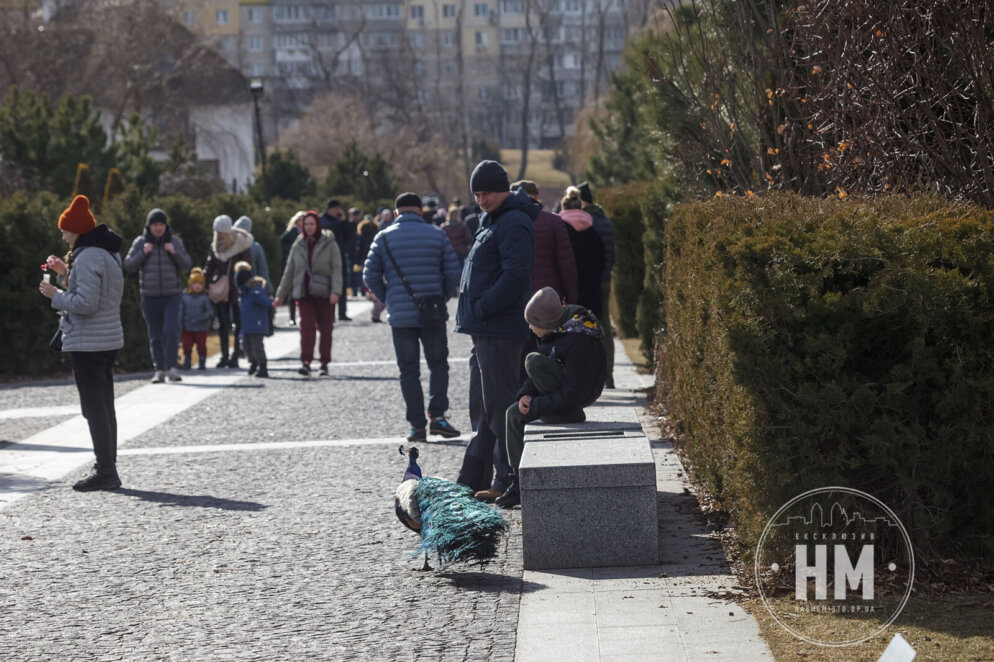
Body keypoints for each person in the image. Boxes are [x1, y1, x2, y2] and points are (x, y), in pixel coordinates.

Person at [454, 160, 537, 502]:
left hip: (500, 327)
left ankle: (508, 482)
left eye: (486, 192)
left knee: (500, 405)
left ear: (502, 190)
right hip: (485, 328)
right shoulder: (494, 220)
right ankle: (473, 477)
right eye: (477, 194)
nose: (481, 200)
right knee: (483, 405)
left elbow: (516, 276)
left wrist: (485, 306)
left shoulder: (513, 222)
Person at [38, 195, 124, 492]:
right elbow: (93, 291)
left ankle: (106, 471)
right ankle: (107, 467)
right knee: (104, 406)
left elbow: (86, 303)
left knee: (94, 408)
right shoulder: (105, 253)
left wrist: (55, 296)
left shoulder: (88, 257)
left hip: (89, 341)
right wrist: (64, 273)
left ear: (76, 230)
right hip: (105, 337)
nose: (62, 235)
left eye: (65, 230)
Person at [363, 191, 463, 442]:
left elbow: (369, 275)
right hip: (433, 312)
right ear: (420, 211)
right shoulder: (437, 235)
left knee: (408, 371)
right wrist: (443, 296)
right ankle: (438, 417)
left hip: (400, 315)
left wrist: (389, 298)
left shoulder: (383, 238)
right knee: (438, 365)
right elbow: (454, 272)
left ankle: (417, 427)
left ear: (396, 213)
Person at [496, 287, 606, 508]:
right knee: (513, 414)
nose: (529, 327)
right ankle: (518, 482)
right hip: (561, 389)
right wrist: (526, 396)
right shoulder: (554, 330)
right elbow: (541, 372)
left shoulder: (577, 340)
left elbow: (574, 391)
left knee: (532, 361)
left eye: (532, 323)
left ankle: (568, 414)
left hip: (579, 394)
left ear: (545, 322)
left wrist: (537, 406)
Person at [123, 208, 192, 383]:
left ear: (165, 225)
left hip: (172, 295)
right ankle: (159, 370)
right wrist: (143, 253)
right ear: (149, 226)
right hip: (149, 295)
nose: (158, 228)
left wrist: (173, 252)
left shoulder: (174, 242)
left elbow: (187, 265)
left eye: (161, 224)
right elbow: (128, 265)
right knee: (154, 334)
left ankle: (172, 367)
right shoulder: (140, 242)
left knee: (171, 330)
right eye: (155, 224)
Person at [274, 210, 342, 376]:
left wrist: (336, 291)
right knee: (307, 327)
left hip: (325, 293)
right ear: (302, 225)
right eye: (306, 224)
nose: (309, 227)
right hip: (304, 293)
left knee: (326, 329)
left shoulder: (329, 243)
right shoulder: (298, 244)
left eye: (312, 224)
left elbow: (337, 268)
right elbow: (289, 271)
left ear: (317, 225)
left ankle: (324, 362)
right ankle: (306, 361)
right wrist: (280, 294)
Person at [511, 180, 578, 303]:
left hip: (514, 297)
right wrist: (571, 297)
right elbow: (566, 265)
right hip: (549, 296)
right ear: (537, 197)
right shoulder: (554, 221)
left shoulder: (504, 222)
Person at [580, 182, 617, 389]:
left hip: (589, 281)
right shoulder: (607, 221)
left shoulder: (586, 222)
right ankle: (608, 373)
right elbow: (613, 256)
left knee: (586, 326)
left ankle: (590, 372)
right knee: (605, 326)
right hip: (605, 279)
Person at [204, 214, 253, 369]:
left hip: (238, 288)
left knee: (238, 324)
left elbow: (248, 266)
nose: (218, 234)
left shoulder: (241, 244)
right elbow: (210, 265)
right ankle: (224, 355)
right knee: (223, 324)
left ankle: (235, 356)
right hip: (222, 290)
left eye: (220, 231)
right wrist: (202, 282)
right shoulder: (215, 246)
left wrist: (247, 285)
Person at [559, 186, 605, 319]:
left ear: (563, 208)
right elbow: (601, 263)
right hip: (592, 291)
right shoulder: (593, 232)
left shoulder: (561, 231)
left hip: (568, 293)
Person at [234, 261, 273, 378]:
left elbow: (266, 302)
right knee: (246, 346)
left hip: (257, 324)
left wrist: (271, 301)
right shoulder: (244, 293)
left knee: (257, 347)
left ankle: (263, 366)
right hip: (247, 325)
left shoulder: (255, 291)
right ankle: (253, 362)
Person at [320, 198, 354, 321]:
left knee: (342, 284)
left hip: (340, 256)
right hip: (325, 258)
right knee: (328, 285)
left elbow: (350, 234)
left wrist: (344, 221)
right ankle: (329, 313)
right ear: (331, 209)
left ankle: (342, 312)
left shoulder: (340, 221)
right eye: (336, 209)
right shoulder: (321, 221)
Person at [180, 267, 213, 370]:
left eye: (200, 284)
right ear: (190, 284)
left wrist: (205, 316)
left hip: (201, 327)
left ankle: (202, 361)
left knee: (201, 346)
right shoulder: (184, 297)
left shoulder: (204, 298)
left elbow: (210, 311)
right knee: (187, 345)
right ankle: (187, 361)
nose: (197, 286)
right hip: (187, 326)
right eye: (195, 283)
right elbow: (180, 311)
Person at [233, 216, 273, 294]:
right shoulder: (256, 247)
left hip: (233, 289)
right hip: (252, 288)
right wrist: (269, 291)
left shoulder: (229, 246)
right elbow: (263, 271)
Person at [279, 211, 304, 326]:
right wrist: (292, 252)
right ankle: (292, 317)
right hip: (294, 265)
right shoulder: (290, 233)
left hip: (305, 267)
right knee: (293, 292)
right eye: (302, 220)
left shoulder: (308, 232)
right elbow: (282, 244)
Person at [442, 203, 474, 267]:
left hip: (449, 251)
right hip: (461, 251)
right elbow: (468, 239)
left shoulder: (444, 227)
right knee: (461, 268)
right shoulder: (462, 226)